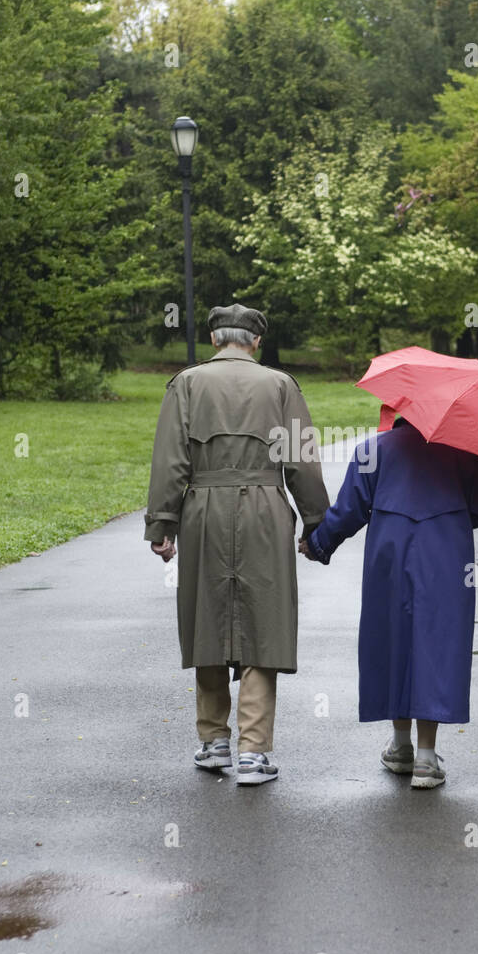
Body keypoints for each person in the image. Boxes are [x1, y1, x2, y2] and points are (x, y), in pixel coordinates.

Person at [145, 304, 329, 784]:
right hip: (265, 509)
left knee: (206, 615)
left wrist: (161, 524)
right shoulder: (281, 386)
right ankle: (253, 751)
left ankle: (213, 741)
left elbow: (170, 461)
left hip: (202, 508)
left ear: (213, 340)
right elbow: (303, 461)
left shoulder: (185, 384)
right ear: (255, 343)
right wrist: (316, 524)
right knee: (263, 621)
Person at [300, 416, 478, 788]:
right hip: (447, 555)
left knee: (391, 636)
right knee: (437, 642)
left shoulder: (373, 450)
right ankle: (426, 757)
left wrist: (317, 543)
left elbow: (348, 512)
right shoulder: (467, 453)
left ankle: (401, 745)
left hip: (388, 554)